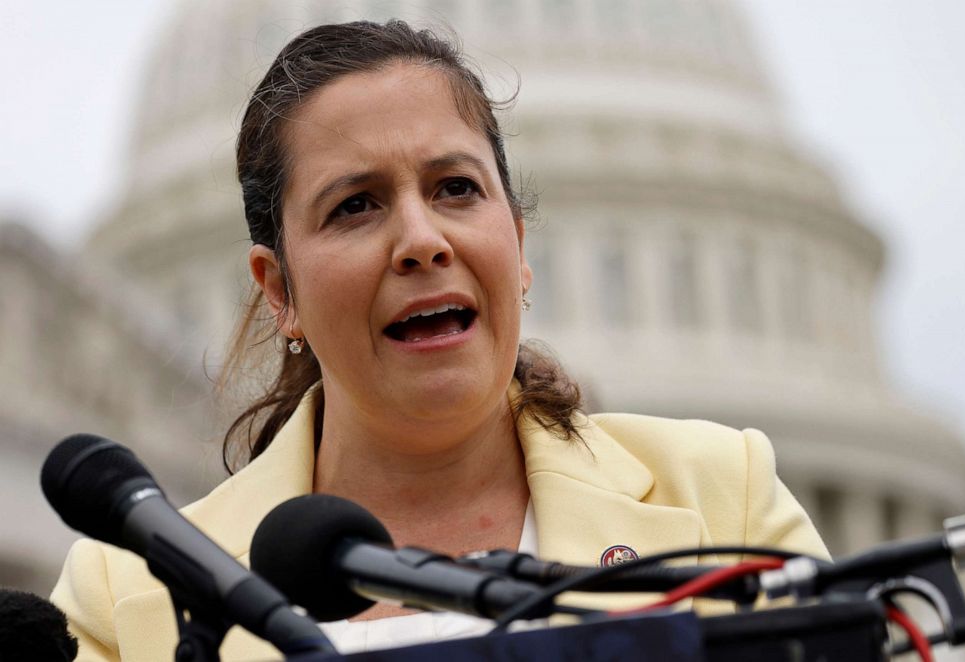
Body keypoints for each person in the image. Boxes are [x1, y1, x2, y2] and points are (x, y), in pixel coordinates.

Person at [50, 20, 828, 661]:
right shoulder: (128, 599)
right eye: (356, 205)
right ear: (279, 290)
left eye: (455, 188)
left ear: (518, 245)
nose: (421, 241)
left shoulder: (723, 500)